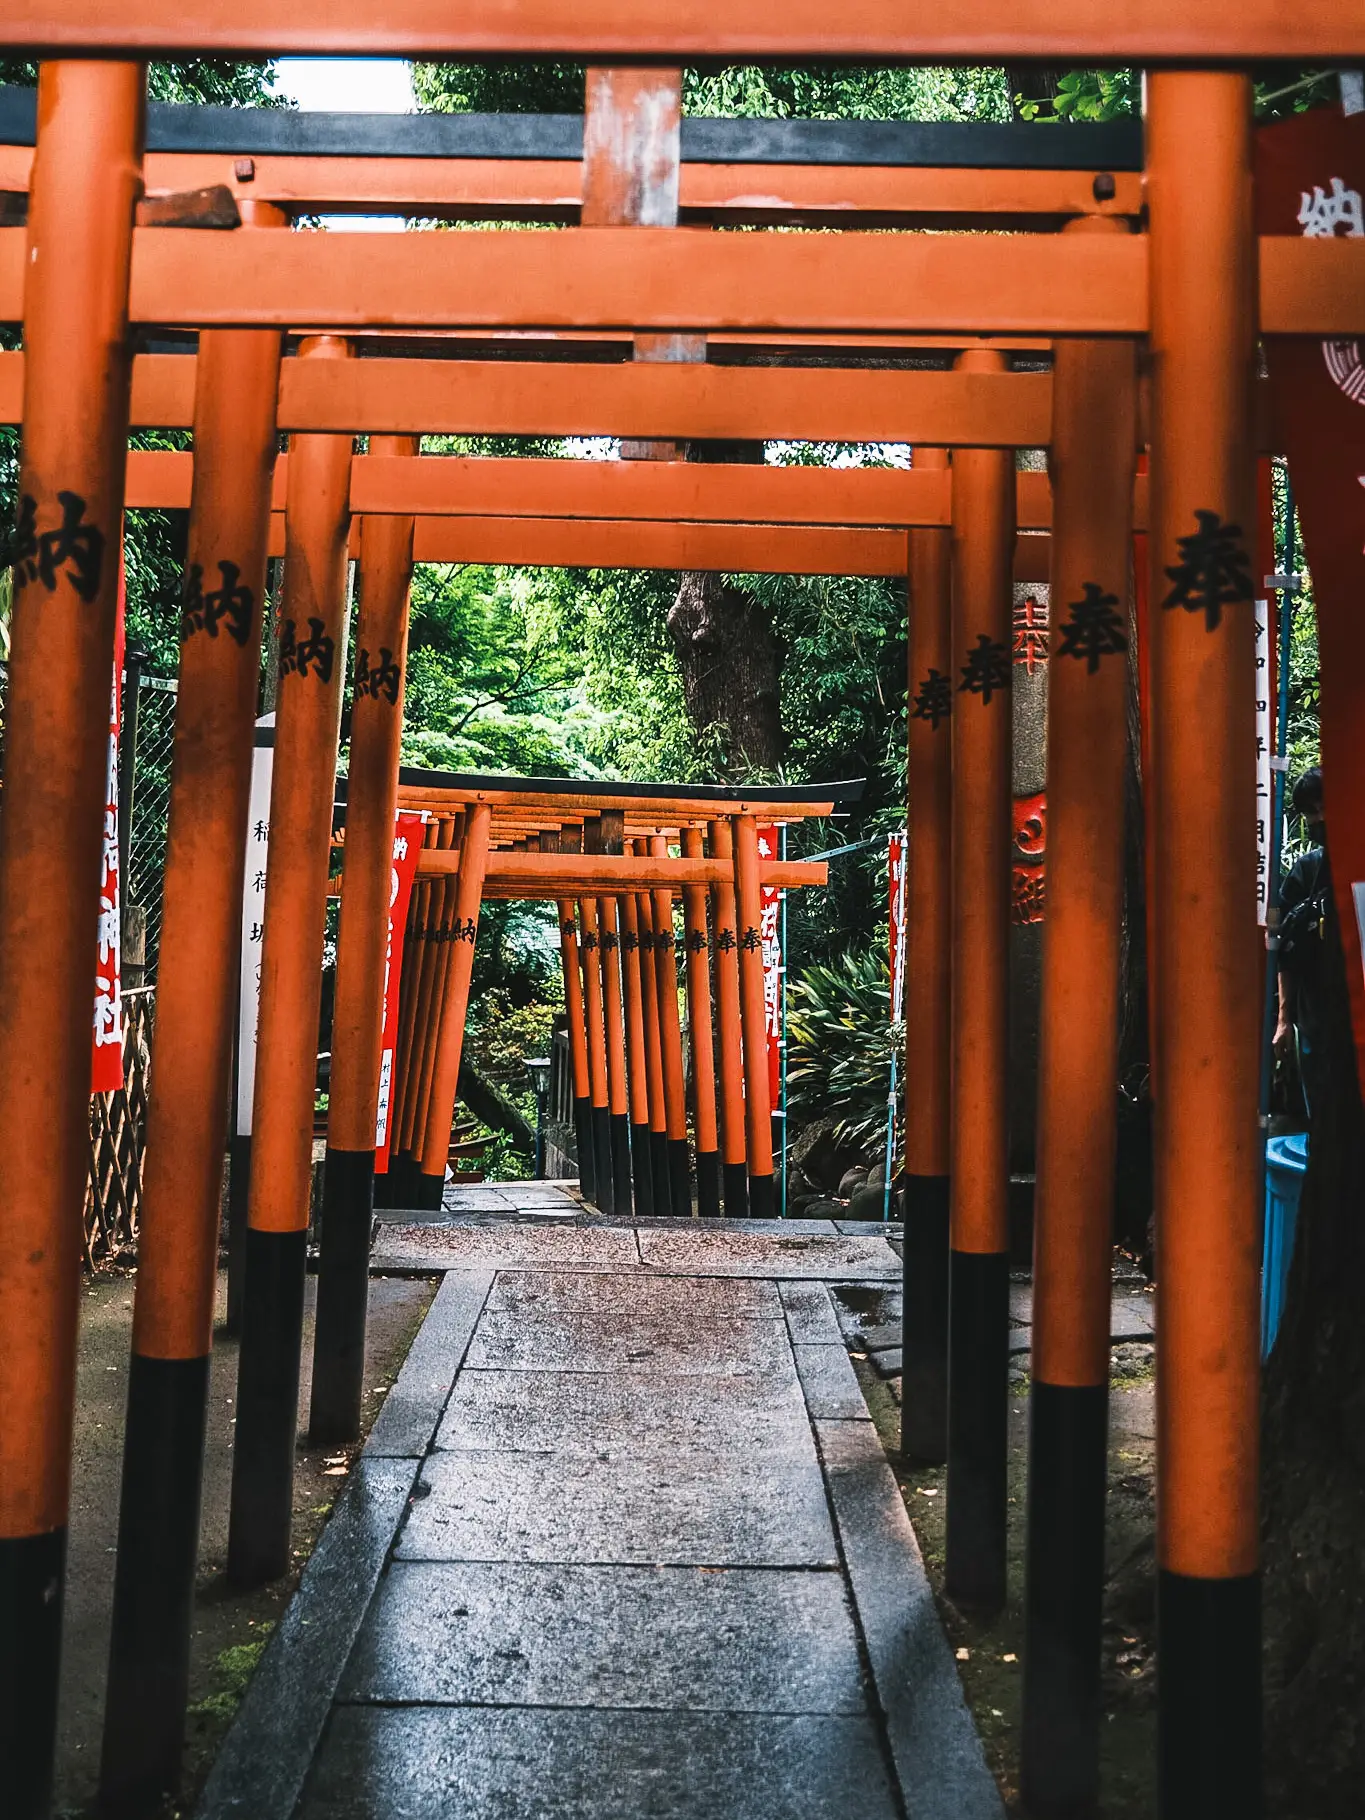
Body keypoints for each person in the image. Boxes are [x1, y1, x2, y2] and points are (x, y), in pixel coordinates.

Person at [1275, 766, 1333, 1118]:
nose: (1319, 818)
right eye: (1311, 812)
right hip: (1317, 1019)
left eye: (1323, 806)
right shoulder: (1307, 872)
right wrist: (1284, 1019)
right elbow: (1285, 949)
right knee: (1323, 1121)